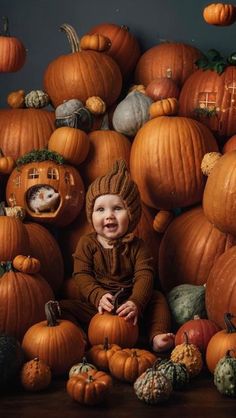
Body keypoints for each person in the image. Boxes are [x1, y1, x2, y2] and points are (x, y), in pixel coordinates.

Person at [60, 159, 174, 352]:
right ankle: (79, 335)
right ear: (91, 215)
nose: (109, 215)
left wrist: (136, 301)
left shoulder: (138, 246)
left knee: (158, 299)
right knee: (64, 307)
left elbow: (144, 275)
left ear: (131, 215)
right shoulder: (87, 244)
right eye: (100, 209)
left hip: (131, 304)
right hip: (99, 307)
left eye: (117, 208)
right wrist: (98, 295)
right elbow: (81, 275)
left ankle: (157, 335)